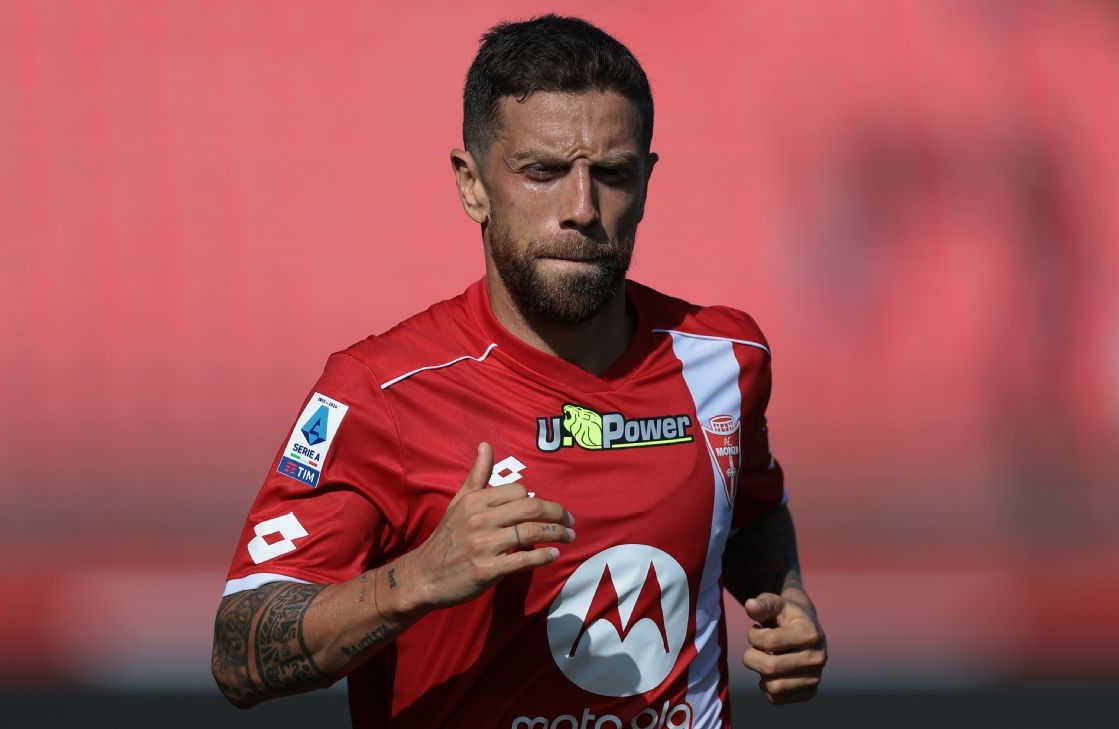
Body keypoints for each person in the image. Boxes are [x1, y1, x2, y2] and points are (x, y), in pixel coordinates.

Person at [211, 14, 826, 728]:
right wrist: (418, 578)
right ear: (472, 184)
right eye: (542, 172)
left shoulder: (726, 359)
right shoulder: (380, 394)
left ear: (648, 182)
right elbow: (238, 653)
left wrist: (785, 599)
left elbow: (749, 513)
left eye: (612, 175)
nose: (581, 209)